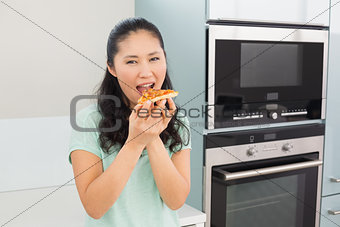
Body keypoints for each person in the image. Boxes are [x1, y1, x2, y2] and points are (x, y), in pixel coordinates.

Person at [68, 17, 191, 227]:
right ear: (112, 68)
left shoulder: (177, 119)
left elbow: (176, 200)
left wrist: (152, 137)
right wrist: (135, 142)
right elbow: (94, 207)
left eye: (154, 59)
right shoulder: (88, 121)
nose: (145, 72)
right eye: (131, 61)